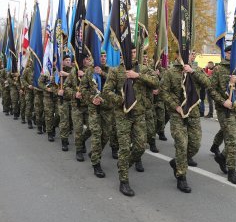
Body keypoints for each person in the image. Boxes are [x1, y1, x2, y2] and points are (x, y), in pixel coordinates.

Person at [102, 46, 158, 197]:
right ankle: (124, 181)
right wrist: (119, 100)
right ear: (122, 54)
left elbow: (156, 83)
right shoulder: (115, 71)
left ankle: (124, 165)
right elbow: (106, 91)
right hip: (123, 114)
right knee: (125, 148)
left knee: (140, 146)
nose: (132, 54)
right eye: (129, 52)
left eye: (134, 52)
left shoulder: (143, 69)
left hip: (139, 113)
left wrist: (137, 75)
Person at [160, 52, 209, 193]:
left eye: (193, 53)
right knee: (182, 144)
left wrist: (192, 72)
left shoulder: (197, 70)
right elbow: (164, 92)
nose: (192, 55)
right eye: (189, 53)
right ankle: (181, 176)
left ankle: (177, 162)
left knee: (195, 144)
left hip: (193, 113)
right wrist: (175, 106)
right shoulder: (170, 72)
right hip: (177, 114)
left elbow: (207, 83)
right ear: (178, 55)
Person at [208, 45, 236, 185]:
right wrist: (223, 102)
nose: (232, 55)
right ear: (226, 53)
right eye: (230, 52)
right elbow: (211, 89)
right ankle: (231, 171)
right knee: (232, 139)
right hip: (225, 110)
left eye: (234, 53)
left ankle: (222, 156)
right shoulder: (218, 69)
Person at [80, 54, 111, 178]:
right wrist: (92, 98)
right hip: (94, 108)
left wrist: (102, 73)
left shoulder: (111, 70)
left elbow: (120, 83)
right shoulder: (89, 72)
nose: (103, 58)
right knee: (96, 134)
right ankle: (96, 163)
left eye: (104, 56)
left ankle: (94, 152)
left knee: (106, 136)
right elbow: (82, 89)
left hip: (108, 107)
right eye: (101, 56)